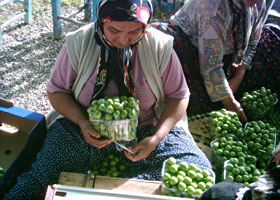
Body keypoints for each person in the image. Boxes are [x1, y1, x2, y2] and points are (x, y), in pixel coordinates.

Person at [2, 0, 211, 199]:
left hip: (145, 130)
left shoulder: (159, 46)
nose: (122, 40)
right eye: (114, 30)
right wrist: (83, 122)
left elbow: (179, 96)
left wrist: (155, 139)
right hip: (84, 132)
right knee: (41, 173)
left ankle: (114, 188)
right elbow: (56, 91)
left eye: (134, 31)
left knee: (197, 168)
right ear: (102, 21)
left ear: (145, 27)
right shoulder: (79, 42)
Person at [152, 0, 280, 122]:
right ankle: (216, 98)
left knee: (272, 37)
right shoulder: (214, 7)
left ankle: (222, 94)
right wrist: (230, 102)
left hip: (229, 54)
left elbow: (252, 43)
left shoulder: (257, 3)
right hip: (194, 51)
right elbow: (211, 66)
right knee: (189, 94)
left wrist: (237, 77)